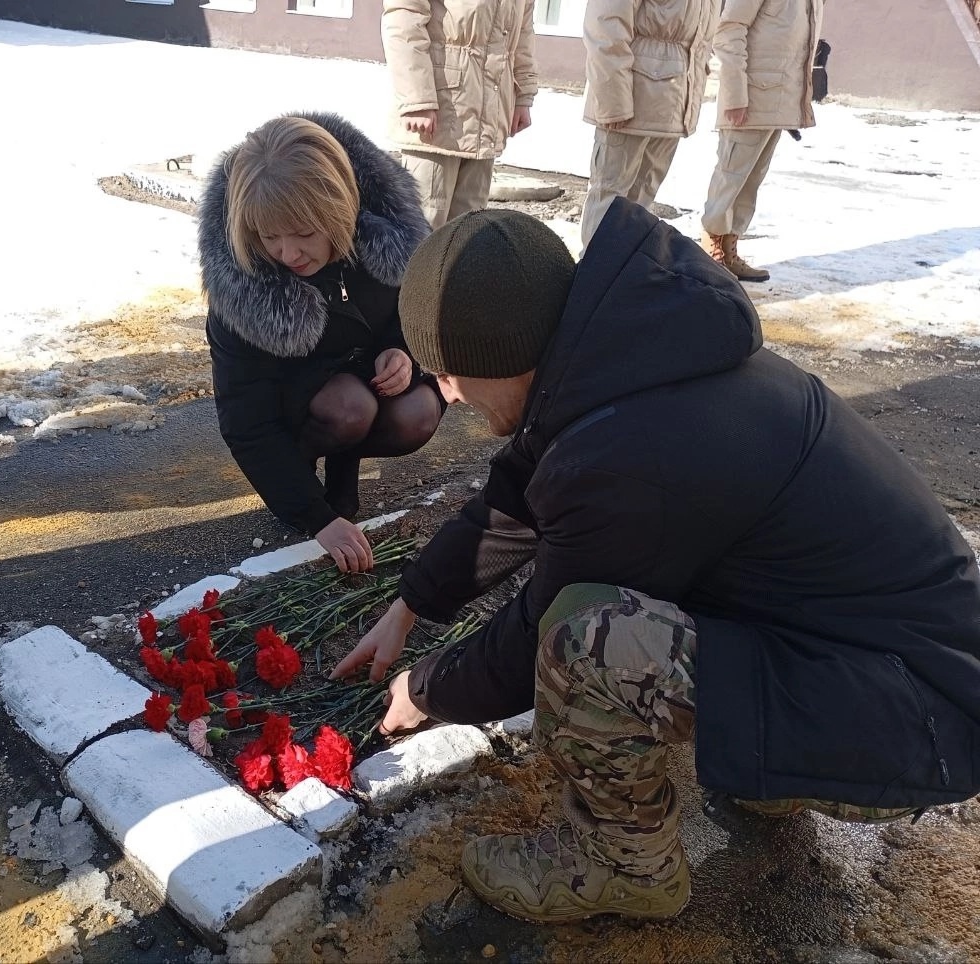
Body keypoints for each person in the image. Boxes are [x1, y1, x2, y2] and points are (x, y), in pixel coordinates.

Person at [333, 200, 980, 924]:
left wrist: (426, 688)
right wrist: (412, 603)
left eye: (448, 375)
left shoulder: (627, 455)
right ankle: (785, 758)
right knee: (629, 607)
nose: (446, 395)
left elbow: (532, 640)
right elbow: (513, 499)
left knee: (588, 639)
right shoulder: (630, 361)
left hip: (920, 723)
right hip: (889, 662)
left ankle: (618, 865)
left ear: (500, 356)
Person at [199, 112, 442, 574]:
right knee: (348, 407)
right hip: (300, 408)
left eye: (305, 234)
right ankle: (305, 469)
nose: (287, 254)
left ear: (341, 208)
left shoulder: (388, 240)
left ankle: (344, 459)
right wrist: (316, 518)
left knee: (419, 413)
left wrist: (405, 354)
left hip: (361, 383)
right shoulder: (242, 286)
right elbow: (246, 422)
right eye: (269, 236)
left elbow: (414, 316)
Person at [382, 0, 537, 229]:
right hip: (437, 114)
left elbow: (523, 29)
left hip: (489, 113)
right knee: (424, 227)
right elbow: (404, 14)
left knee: (468, 233)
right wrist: (417, 99)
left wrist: (523, 93)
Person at [579, 0, 719, 251]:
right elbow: (605, 24)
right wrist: (614, 100)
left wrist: (690, 100)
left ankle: (622, 277)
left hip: (670, 101)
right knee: (609, 201)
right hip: (630, 98)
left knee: (640, 203)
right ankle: (593, 281)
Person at [701, 0, 825, 282]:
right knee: (731, 174)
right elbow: (729, 29)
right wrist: (735, 93)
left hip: (780, 96)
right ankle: (710, 250)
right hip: (750, 96)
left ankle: (730, 248)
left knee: (752, 178)